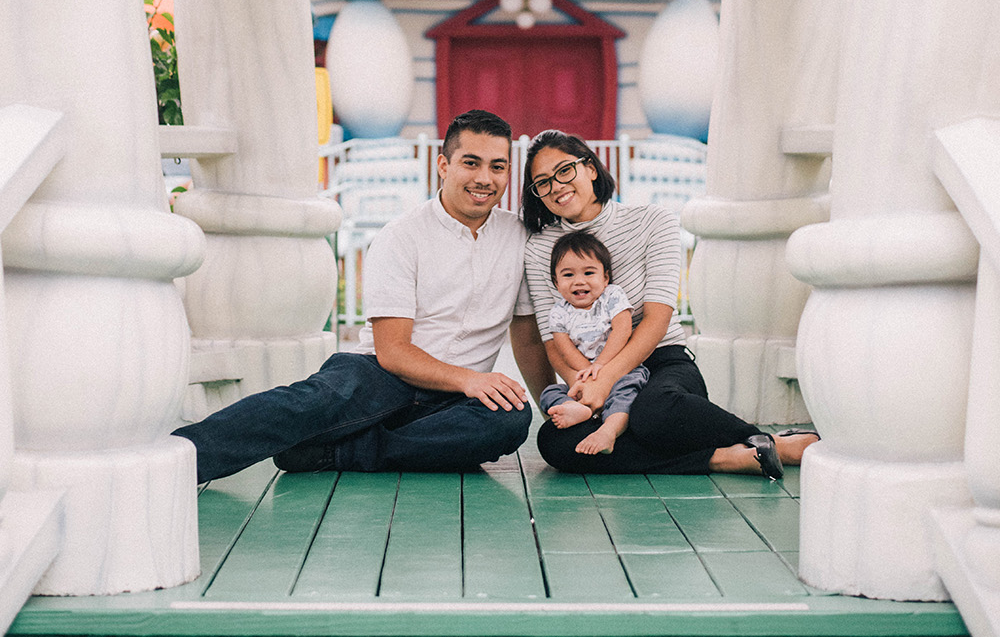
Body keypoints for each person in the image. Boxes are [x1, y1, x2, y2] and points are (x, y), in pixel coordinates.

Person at [173, 110, 551, 481]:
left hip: (454, 402)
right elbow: (393, 351)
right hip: (380, 375)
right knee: (310, 403)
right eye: (471, 163)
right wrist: (468, 379)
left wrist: (551, 407)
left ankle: (337, 451)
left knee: (510, 419)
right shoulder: (401, 236)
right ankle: (179, 461)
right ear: (443, 165)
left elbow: (528, 338)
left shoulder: (519, 238)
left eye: (497, 166)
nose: (485, 178)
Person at [523, 131, 820, 479]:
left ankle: (762, 440)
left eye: (564, 171)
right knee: (554, 443)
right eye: (542, 183)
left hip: (662, 362)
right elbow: (552, 341)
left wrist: (606, 380)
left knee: (654, 416)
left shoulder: (653, 220)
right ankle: (726, 457)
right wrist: (585, 389)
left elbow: (657, 318)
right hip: (588, 376)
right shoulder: (540, 248)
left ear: (590, 168)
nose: (556, 186)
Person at [539, 230, 649, 456]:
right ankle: (577, 409)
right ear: (556, 282)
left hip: (620, 370)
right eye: (568, 275)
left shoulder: (612, 295)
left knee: (624, 396)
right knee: (550, 393)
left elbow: (623, 329)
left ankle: (609, 430)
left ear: (605, 278)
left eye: (589, 272)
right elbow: (564, 348)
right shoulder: (558, 312)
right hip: (584, 376)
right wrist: (587, 372)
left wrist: (601, 365)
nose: (579, 281)